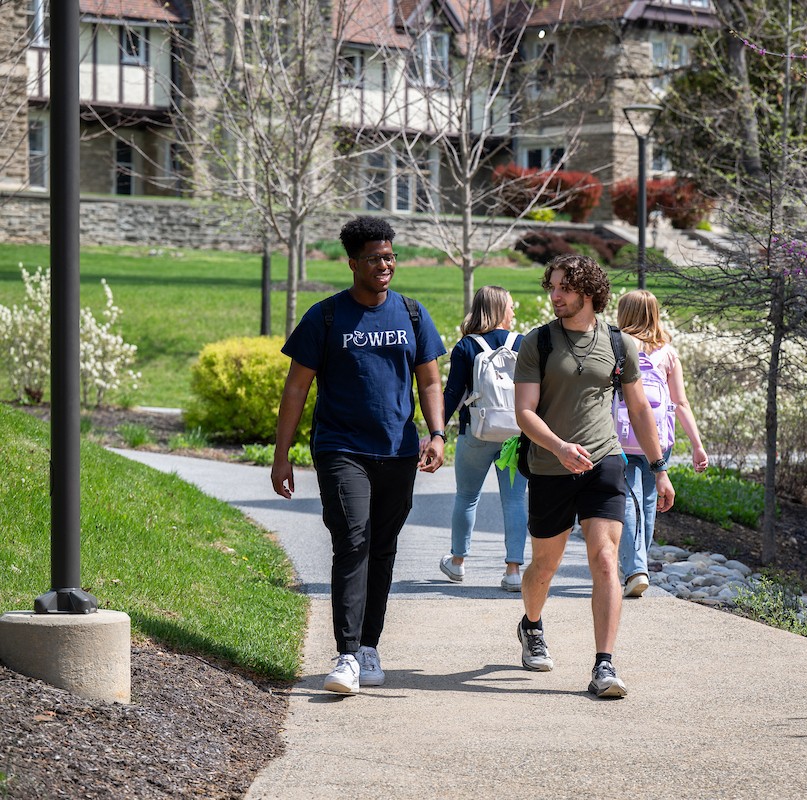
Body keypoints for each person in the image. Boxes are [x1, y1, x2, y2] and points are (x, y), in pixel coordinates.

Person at [271, 215, 447, 695]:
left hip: (397, 450)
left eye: (390, 256)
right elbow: (296, 389)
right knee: (352, 540)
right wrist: (281, 453)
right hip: (340, 447)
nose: (385, 264)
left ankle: (369, 645)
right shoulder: (325, 316)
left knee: (383, 547)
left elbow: (429, 380)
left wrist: (437, 433)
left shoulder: (413, 314)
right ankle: (346, 653)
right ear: (352, 263)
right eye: (374, 258)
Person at [513, 253, 675, 699]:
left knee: (606, 559)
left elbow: (639, 407)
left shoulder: (620, 343)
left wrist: (659, 469)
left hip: (605, 461)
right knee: (545, 566)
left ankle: (604, 665)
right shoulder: (538, 342)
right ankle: (531, 624)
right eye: (553, 287)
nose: (555, 295)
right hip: (550, 464)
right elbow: (524, 412)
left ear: (589, 292)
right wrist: (560, 447)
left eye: (563, 288)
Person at [615, 290, 709, 598]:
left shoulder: (615, 347)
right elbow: (681, 403)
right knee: (649, 502)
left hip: (622, 439)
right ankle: (637, 564)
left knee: (627, 500)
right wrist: (697, 445)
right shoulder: (667, 353)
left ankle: (635, 568)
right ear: (655, 315)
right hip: (658, 441)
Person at [439, 285, 528, 591]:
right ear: (500, 309)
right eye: (511, 306)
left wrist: (436, 432)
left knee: (466, 497)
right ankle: (514, 570)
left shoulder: (466, 346)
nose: (514, 312)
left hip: (476, 431)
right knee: (515, 500)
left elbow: (453, 394)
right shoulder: (523, 343)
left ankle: (457, 563)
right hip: (516, 435)